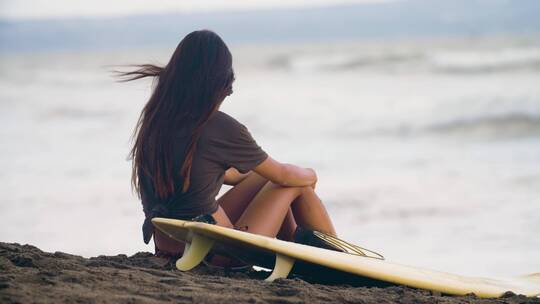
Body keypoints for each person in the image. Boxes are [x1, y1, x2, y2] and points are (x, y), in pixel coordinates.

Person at [117, 29, 337, 266]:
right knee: (293, 184)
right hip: (218, 254)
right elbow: (284, 175)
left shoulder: (156, 121)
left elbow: (218, 176)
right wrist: (310, 174)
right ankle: (337, 257)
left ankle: (300, 252)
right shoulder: (217, 126)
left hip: (169, 248)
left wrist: (261, 175)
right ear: (216, 86)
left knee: (265, 177)